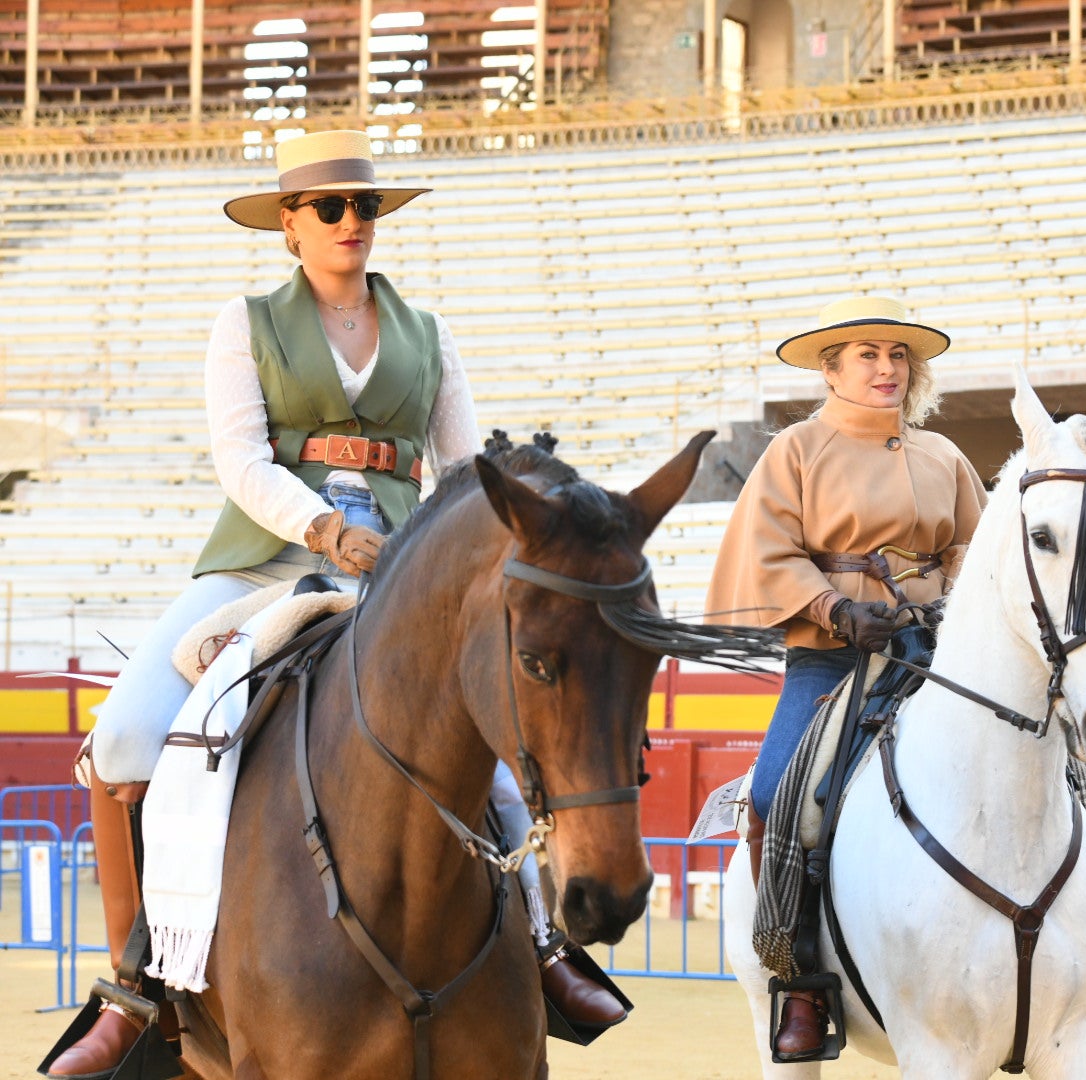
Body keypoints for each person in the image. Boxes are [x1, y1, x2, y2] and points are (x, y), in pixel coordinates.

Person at [43, 130, 619, 1080]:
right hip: (262, 566)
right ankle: (138, 986)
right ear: (290, 227)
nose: (352, 222)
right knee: (127, 737)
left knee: (498, 753)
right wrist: (321, 530)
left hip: (397, 577)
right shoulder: (245, 324)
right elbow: (241, 460)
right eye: (330, 208)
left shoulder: (431, 334)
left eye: (365, 207)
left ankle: (544, 951)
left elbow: (464, 472)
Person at [705, 295, 989, 1060]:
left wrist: (955, 609)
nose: (887, 368)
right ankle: (796, 980)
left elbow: (978, 551)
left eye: (897, 355)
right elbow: (769, 550)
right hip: (831, 659)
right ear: (831, 370)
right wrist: (834, 608)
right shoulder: (795, 449)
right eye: (867, 353)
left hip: (938, 656)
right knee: (774, 795)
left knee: (1051, 750)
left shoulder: (946, 457)